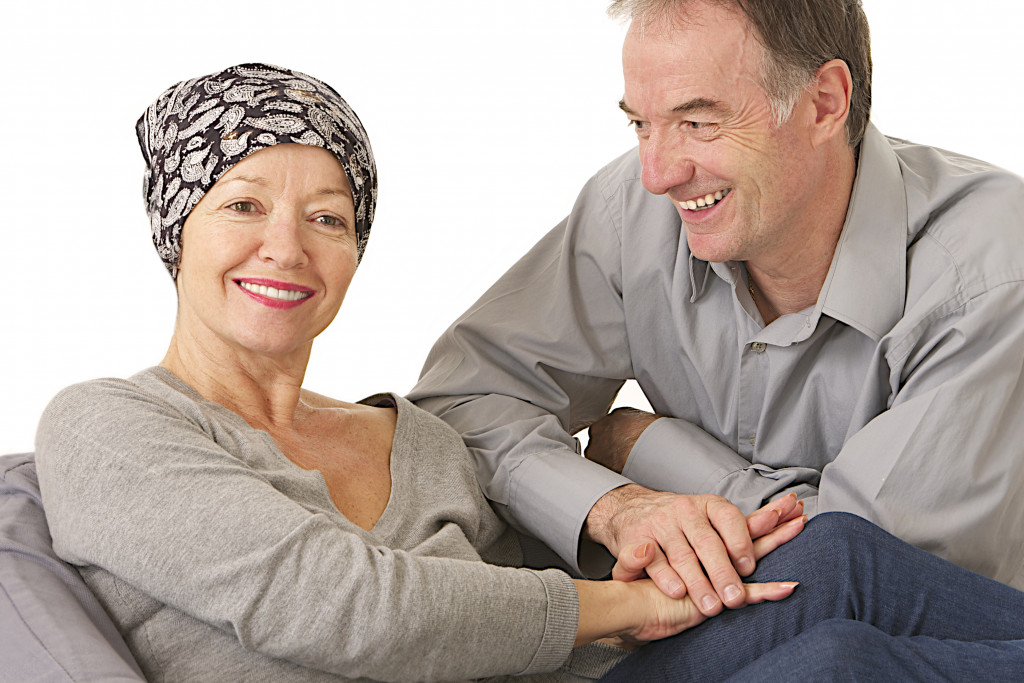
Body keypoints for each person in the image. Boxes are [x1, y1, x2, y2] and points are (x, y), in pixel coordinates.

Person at [29, 62, 1024, 682]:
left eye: (327, 215)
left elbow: (560, 590)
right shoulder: (109, 426)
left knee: (837, 561)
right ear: (177, 231)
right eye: (242, 205)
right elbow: (348, 604)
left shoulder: (419, 436)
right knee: (837, 666)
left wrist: (644, 484)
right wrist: (634, 601)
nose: (285, 246)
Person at [409, 0, 1024, 620]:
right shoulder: (636, 209)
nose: (657, 173)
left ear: (825, 103)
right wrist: (616, 506)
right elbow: (459, 406)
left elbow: (870, 574)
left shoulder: (990, 268)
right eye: (641, 126)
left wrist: (646, 448)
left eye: (698, 122)